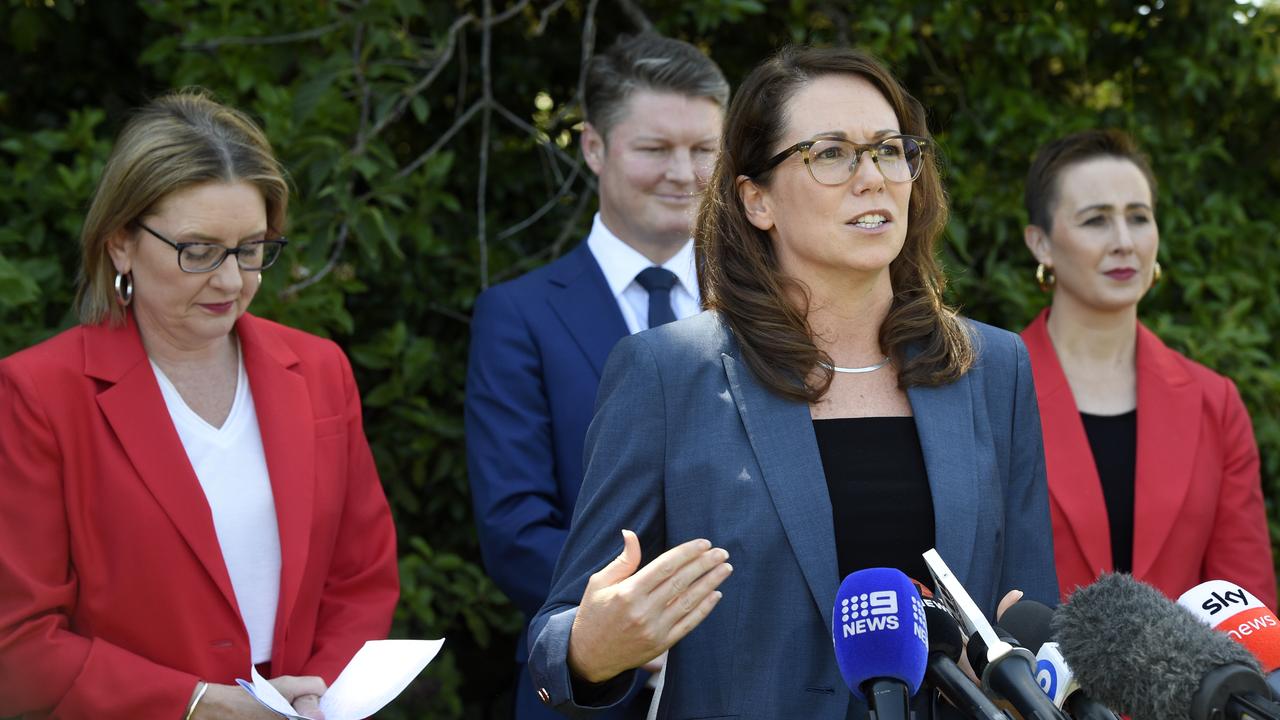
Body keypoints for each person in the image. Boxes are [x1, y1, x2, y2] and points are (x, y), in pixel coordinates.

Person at [526, 45, 1059, 719]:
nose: (873, 177)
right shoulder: (667, 374)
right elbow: (556, 638)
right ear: (756, 200)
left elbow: (1032, 608)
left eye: (890, 149)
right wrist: (590, 648)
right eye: (831, 153)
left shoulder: (992, 367)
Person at [0, 90, 400, 719]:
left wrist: (319, 690)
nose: (232, 280)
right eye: (198, 250)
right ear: (120, 244)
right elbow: (16, 646)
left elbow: (361, 576)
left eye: (252, 247)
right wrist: (192, 704)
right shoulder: (38, 395)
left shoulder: (319, 369)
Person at [465, 33, 727, 719]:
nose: (684, 172)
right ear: (592, 147)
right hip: (589, 687)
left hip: (757, 675)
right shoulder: (517, 315)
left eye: (704, 150)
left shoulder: (774, 310)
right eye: (654, 149)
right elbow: (515, 526)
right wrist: (634, 620)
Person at [1019, 129, 1276, 606]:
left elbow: (1248, 606)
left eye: (1138, 218)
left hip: (1191, 681)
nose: (1124, 242)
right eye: (1096, 220)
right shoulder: (992, 391)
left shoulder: (1213, 402)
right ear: (1041, 245)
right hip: (1030, 679)